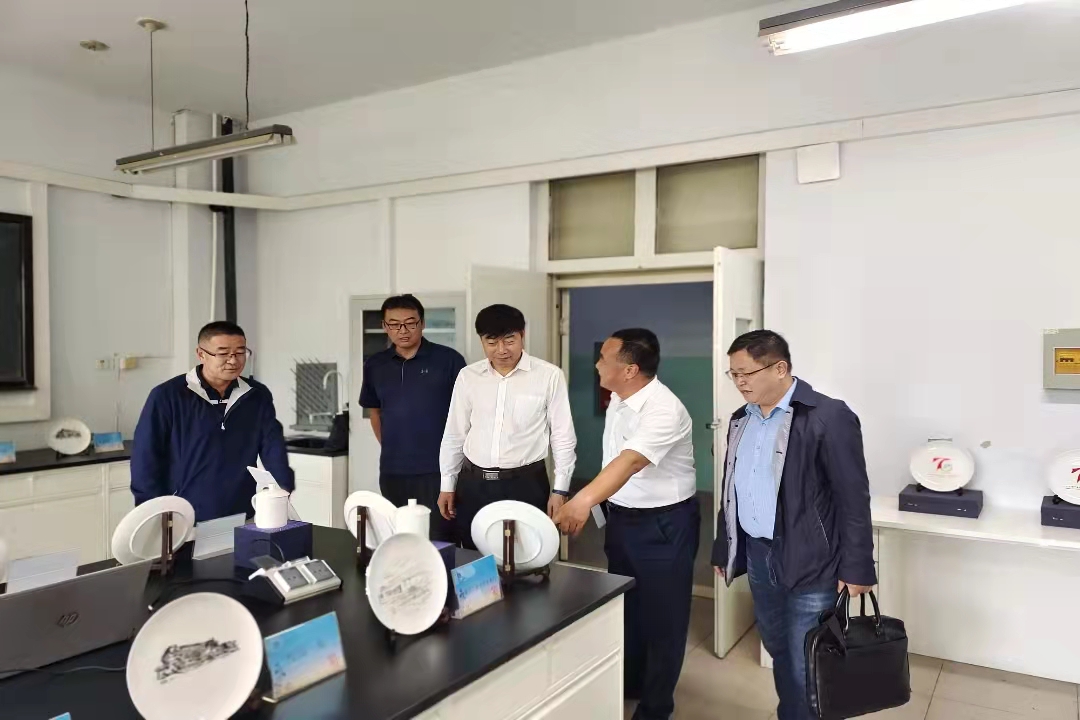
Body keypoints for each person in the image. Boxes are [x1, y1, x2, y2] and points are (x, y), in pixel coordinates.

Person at [711, 330, 875, 720]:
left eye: (747, 373)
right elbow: (732, 488)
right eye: (734, 374)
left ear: (780, 368)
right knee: (778, 648)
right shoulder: (741, 419)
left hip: (812, 560)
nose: (740, 382)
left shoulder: (827, 416)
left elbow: (853, 498)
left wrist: (857, 566)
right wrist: (724, 545)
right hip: (759, 554)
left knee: (810, 663)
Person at [554, 328, 698, 720]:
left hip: (663, 525)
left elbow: (631, 461)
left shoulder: (664, 410)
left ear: (630, 370)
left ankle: (655, 708)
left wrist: (582, 501)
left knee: (664, 620)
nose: (596, 364)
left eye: (603, 358)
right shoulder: (619, 397)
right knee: (628, 606)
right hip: (622, 519)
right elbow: (614, 461)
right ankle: (631, 683)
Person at [437, 304, 576, 547]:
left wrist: (560, 490)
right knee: (474, 556)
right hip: (474, 484)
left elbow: (562, 436)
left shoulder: (548, 375)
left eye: (509, 340)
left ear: (522, 335)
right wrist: (447, 484)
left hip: (526, 484)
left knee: (528, 554)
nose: (501, 350)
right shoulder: (468, 377)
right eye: (492, 342)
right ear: (482, 340)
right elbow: (454, 434)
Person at [131, 321, 294, 522]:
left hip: (242, 512)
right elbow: (145, 457)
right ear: (201, 354)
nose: (233, 360)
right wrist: (151, 511)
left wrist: (281, 488)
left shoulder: (256, 395)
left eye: (240, 352)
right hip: (183, 515)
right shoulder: (167, 396)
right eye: (223, 353)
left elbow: (272, 446)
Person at [359, 294, 466, 542]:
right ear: (385, 326)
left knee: (440, 539)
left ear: (422, 323)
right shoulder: (375, 364)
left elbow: (466, 414)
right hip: (393, 471)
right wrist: (392, 447)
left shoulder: (449, 360)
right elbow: (375, 411)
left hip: (439, 471)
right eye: (394, 324)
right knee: (400, 537)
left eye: (410, 323)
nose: (403, 331)